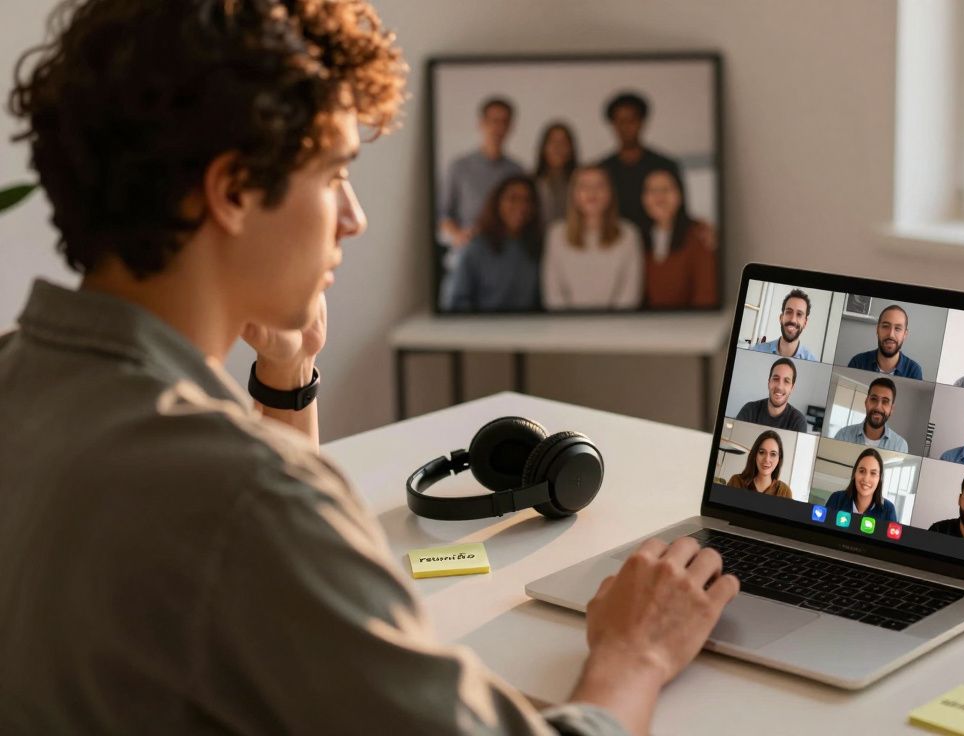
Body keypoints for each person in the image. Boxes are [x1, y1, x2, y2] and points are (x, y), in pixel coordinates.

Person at [0, 2, 738, 734]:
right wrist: (636, 654)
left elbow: (264, 581)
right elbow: (263, 516)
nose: (354, 217)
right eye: (333, 175)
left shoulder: (20, 377)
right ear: (233, 192)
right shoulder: (247, 499)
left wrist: (287, 379)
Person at [437, 96, 526, 308]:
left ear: (511, 127)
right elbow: (442, 215)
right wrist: (458, 235)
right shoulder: (460, 167)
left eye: (504, 122)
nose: (498, 128)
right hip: (467, 253)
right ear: (481, 124)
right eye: (493, 121)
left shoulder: (517, 171)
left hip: (505, 258)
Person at [541, 166, 643, 310]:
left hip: (618, 323)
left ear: (610, 193)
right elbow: (553, 296)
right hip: (566, 323)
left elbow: (629, 297)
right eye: (584, 186)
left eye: (599, 186)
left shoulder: (629, 234)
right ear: (573, 194)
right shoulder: (556, 234)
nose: (592, 192)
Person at [449, 175, 543, 311]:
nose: (521, 206)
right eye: (513, 199)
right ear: (497, 203)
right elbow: (459, 301)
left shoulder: (537, 248)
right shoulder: (475, 248)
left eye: (527, 200)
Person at [596, 91, 684, 230]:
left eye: (631, 120)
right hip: (615, 240)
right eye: (620, 121)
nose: (626, 127)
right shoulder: (602, 170)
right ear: (613, 125)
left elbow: (680, 212)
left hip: (659, 240)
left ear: (642, 122)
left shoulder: (665, 166)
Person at [639, 169, 718, 308]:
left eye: (666, 189)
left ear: (680, 195)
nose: (659, 197)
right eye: (652, 190)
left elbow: (706, 295)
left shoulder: (699, 235)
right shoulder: (637, 239)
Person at [833, 377, 909, 453]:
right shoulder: (843, 436)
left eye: (885, 401)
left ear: (891, 409)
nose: (878, 407)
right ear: (866, 402)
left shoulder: (900, 446)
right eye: (874, 399)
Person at [846, 305, 924, 379]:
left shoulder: (913, 371)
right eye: (886, 326)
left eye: (897, 328)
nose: (891, 334)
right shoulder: (858, 363)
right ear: (877, 330)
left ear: (905, 334)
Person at [735, 358, 810, 432]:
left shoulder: (798, 421)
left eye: (786, 381)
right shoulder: (749, 410)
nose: (779, 386)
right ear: (769, 383)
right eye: (776, 379)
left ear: (792, 388)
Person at [823, 448, 898, 521]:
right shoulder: (836, 499)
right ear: (855, 473)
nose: (866, 479)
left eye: (873, 473)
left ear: (879, 478)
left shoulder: (888, 510)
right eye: (862, 471)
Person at [751, 288, 818, 361]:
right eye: (789, 312)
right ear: (781, 318)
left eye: (799, 314)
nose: (793, 320)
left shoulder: (812, 362)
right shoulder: (756, 351)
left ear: (805, 323)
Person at [725, 430, 792, 498]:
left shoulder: (784, 492)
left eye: (773, 454)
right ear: (755, 455)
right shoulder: (736, 482)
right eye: (762, 452)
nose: (767, 459)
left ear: (779, 459)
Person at [534, 121, 577, 225]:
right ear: (543, 148)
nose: (558, 148)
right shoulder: (531, 183)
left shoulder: (580, 184)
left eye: (563, 143)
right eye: (552, 142)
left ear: (571, 149)